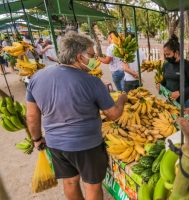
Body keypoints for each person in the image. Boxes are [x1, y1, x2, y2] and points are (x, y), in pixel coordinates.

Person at [26, 32, 128, 200]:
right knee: (92, 185)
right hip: (87, 145)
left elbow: (31, 116)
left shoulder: (37, 77)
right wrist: (123, 99)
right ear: (80, 57)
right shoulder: (92, 82)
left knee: (70, 182)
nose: (95, 59)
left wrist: (37, 139)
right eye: (92, 55)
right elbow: (114, 115)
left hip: (56, 144)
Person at [157, 34, 189, 107]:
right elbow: (165, 80)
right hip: (170, 100)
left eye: (168, 54)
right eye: (165, 55)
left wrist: (179, 92)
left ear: (176, 53)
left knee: (184, 118)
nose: (166, 57)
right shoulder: (166, 65)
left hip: (185, 101)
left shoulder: (187, 65)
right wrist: (160, 84)